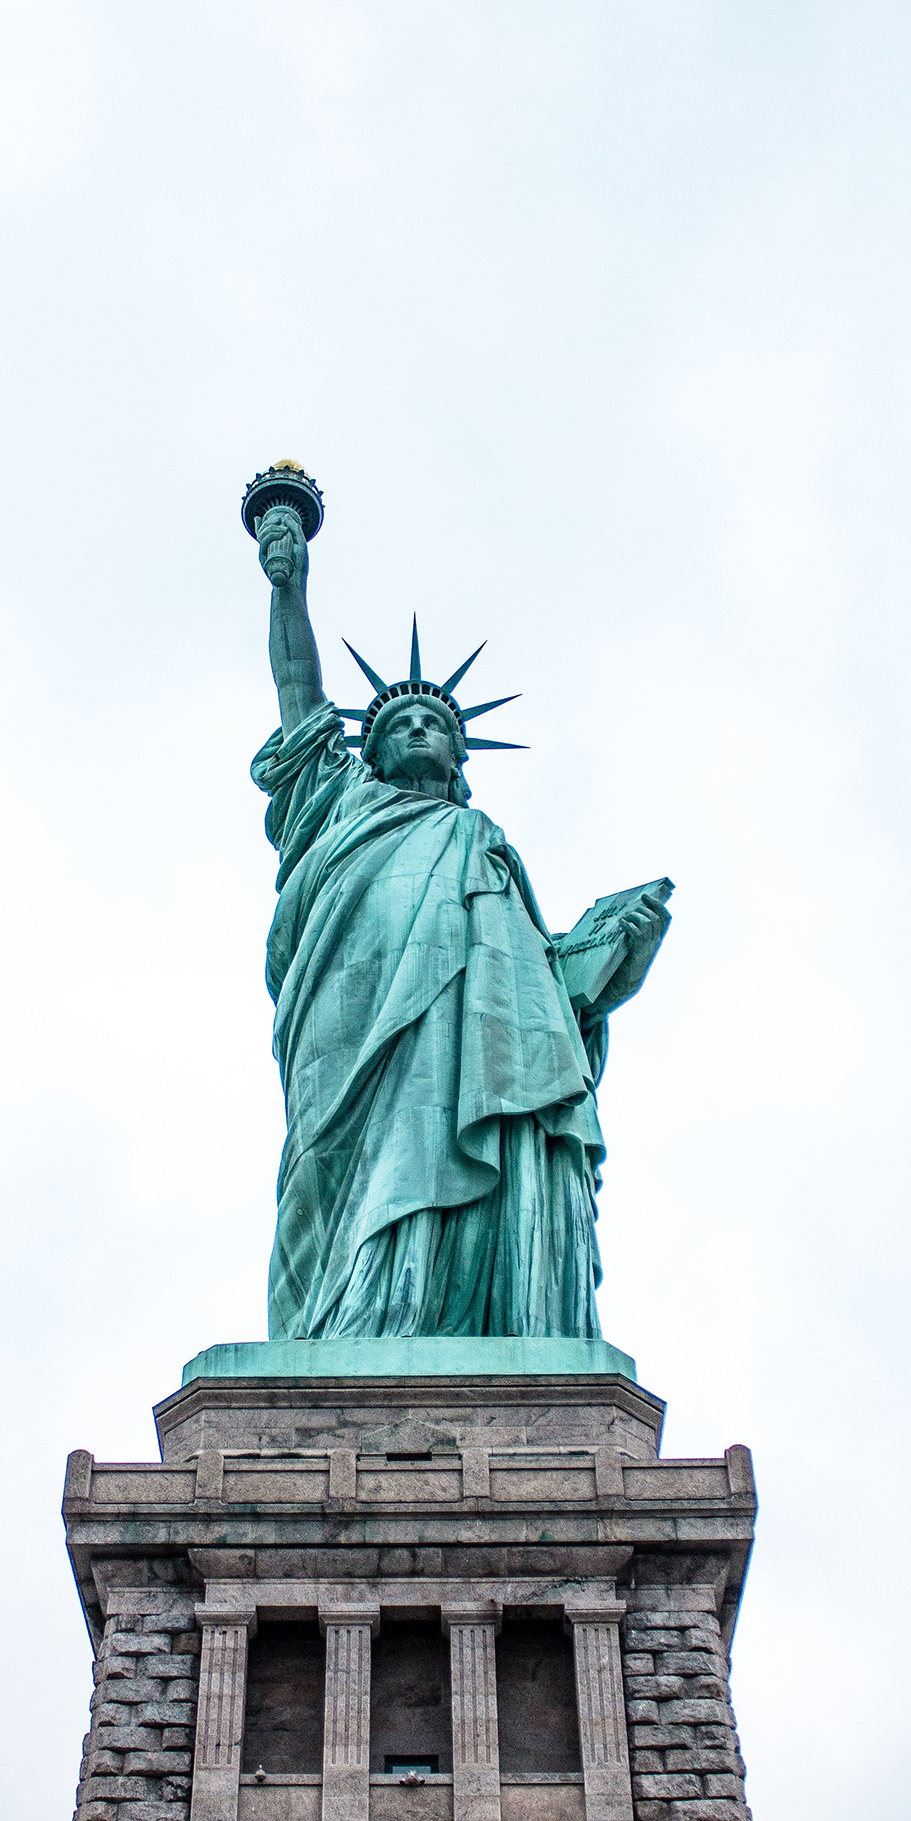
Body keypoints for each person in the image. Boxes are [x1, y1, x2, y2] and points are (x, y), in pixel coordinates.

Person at [251, 499, 669, 1340]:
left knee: (459, 1138)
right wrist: (287, 585)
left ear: (457, 756)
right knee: (329, 1170)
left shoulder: (483, 843)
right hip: (348, 1021)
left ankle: (441, 1316)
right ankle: (342, 1326)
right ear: (369, 751)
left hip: (472, 1038)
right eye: (398, 724)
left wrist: (604, 953)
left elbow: (537, 986)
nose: (415, 730)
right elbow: (299, 695)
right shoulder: (337, 804)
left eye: (432, 725)